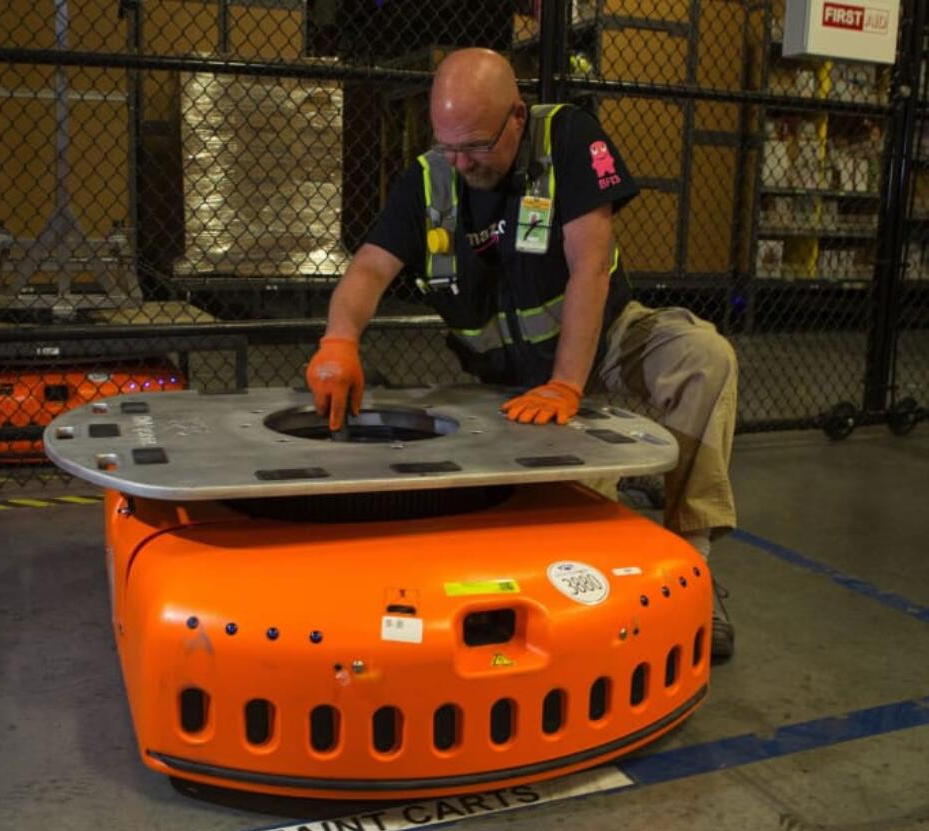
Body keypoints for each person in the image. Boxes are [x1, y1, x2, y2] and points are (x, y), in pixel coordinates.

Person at [305, 48, 739, 661]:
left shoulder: (566, 139)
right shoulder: (429, 179)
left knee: (703, 356)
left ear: (516, 114)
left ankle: (693, 568)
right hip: (504, 383)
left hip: (604, 341)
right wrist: (339, 340)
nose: (461, 162)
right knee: (582, 511)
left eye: (476, 146)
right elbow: (371, 268)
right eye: (448, 145)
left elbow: (590, 267)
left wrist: (568, 384)